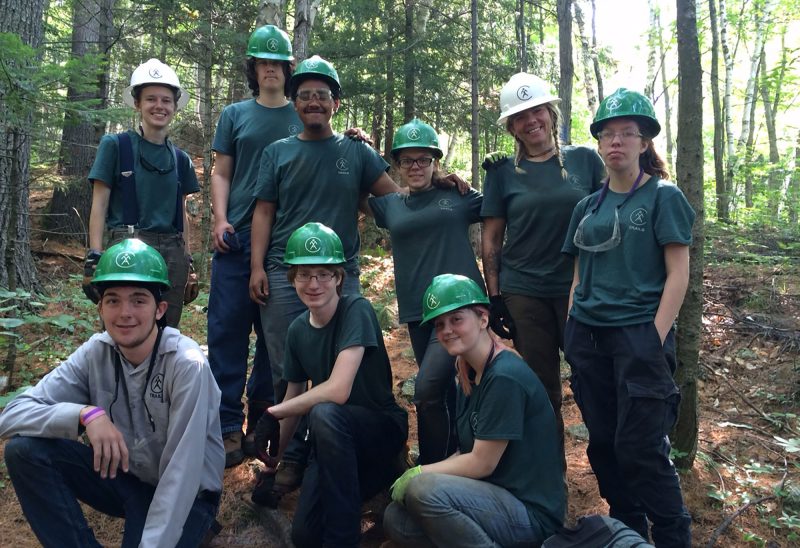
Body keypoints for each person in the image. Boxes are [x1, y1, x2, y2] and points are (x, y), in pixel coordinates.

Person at [0, 239, 224, 548]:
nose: (125, 313)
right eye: (113, 300)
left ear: (160, 309)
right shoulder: (97, 351)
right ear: (101, 308)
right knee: (24, 451)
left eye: (138, 300)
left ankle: (196, 529)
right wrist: (85, 414)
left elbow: (182, 474)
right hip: (128, 481)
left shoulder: (187, 365)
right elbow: (11, 415)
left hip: (188, 496)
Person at [248, 54, 403, 494]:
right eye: (306, 96)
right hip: (284, 273)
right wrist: (257, 265)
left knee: (346, 369)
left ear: (336, 103)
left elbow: (393, 202)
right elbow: (264, 211)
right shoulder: (277, 153)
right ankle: (290, 457)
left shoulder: (355, 151)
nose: (314, 102)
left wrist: (436, 184)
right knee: (287, 368)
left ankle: (342, 447)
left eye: (323, 95)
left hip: (340, 276)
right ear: (295, 102)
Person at [562, 88, 695, 547]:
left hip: (639, 335)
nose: (616, 142)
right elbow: (579, 274)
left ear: (644, 142)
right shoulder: (587, 207)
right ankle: (628, 532)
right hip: (588, 337)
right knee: (603, 444)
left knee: (640, 447)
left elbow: (679, 274)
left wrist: (652, 338)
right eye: (608, 134)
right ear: (599, 143)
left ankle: (673, 536)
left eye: (627, 134)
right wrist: (571, 327)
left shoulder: (663, 197)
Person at [253, 222, 408, 547]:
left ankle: (344, 539)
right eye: (305, 274)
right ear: (292, 278)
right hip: (331, 442)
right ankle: (368, 488)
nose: (314, 283)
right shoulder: (297, 330)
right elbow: (294, 399)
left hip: (378, 428)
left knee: (324, 412)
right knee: (305, 535)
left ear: (339, 277)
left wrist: (272, 412)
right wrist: (275, 460)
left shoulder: (357, 310)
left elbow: (338, 390)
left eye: (324, 274)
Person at [382, 274, 565, 547]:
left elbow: (481, 462)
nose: (446, 330)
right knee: (396, 518)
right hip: (491, 499)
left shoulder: (504, 376)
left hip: (529, 513)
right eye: (439, 324)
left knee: (423, 489)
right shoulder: (470, 373)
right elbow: (466, 451)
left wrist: (420, 473)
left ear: (483, 319)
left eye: (457, 319)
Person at [480, 72, 605, 468]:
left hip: (579, 290)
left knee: (592, 377)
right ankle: (553, 478)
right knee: (542, 386)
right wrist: (495, 296)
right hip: (524, 292)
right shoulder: (501, 172)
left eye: (536, 110)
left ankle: (612, 465)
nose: (531, 120)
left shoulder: (586, 160)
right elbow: (492, 239)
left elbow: (614, 207)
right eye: (520, 116)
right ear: (512, 127)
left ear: (550, 112)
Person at [366, 118, 483, 465]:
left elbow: (502, 209)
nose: (415, 167)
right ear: (398, 165)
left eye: (423, 160)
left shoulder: (457, 196)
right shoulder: (390, 206)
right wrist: (359, 143)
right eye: (407, 161)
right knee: (445, 392)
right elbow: (354, 185)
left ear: (436, 162)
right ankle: (453, 460)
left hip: (458, 310)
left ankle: (431, 468)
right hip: (419, 312)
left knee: (427, 389)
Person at [208, 24, 297, 468]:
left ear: (287, 68)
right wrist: (220, 218)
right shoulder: (235, 114)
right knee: (226, 332)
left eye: (277, 62)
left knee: (271, 337)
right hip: (235, 241)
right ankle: (226, 424)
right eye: (262, 62)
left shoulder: (301, 114)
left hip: (283, 247)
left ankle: (262, 421)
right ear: (253, 68)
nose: (270, 70)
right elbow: (222, 172)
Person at [85, 59, 199, 329]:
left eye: (166, 100)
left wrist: (188, 261)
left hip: (172, 251)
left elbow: (183, 214)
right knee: (123, 330)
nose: (159, 106)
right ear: (137, 103)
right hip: (126, 246)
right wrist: (94, 257)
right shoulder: (116, 145)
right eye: (151, 99)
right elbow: (99, 205)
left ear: (174, 106)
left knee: (166, 332)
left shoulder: (180, 159)